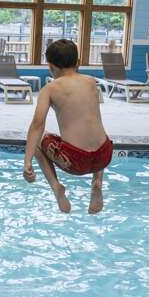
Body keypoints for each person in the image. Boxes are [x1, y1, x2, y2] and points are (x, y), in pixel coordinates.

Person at [23, 39, 113, 214]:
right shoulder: (90, 82)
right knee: (97, 130)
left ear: (50, 66)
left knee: (38, 140)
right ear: (78, 62)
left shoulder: (50, 89)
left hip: (75, 161)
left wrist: (27, 161)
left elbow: (37, 125)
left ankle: (56, 187)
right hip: (104, 156)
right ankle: (97, 182)